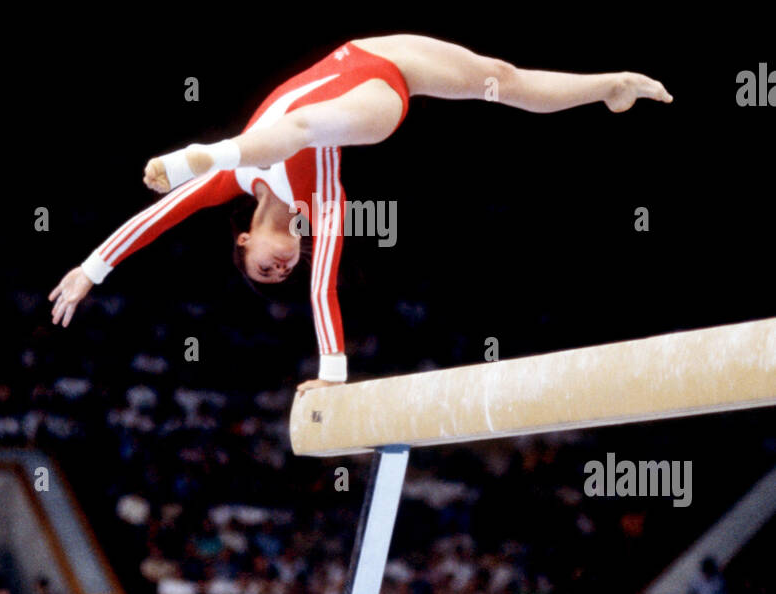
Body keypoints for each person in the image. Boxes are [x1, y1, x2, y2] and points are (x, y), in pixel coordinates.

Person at [50, 34, 671, 387]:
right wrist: (333, 373)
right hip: (364, 104)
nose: (284, 266)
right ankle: (204, 151)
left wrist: (89, 271)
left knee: (501, 77)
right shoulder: (326, 206)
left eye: (267, 268)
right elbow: (325, 290)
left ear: (242, 242)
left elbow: (155, 219)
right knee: (307, 129)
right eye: (282, 274)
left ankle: (608, 85)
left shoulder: (230, 186)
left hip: (367, 55)